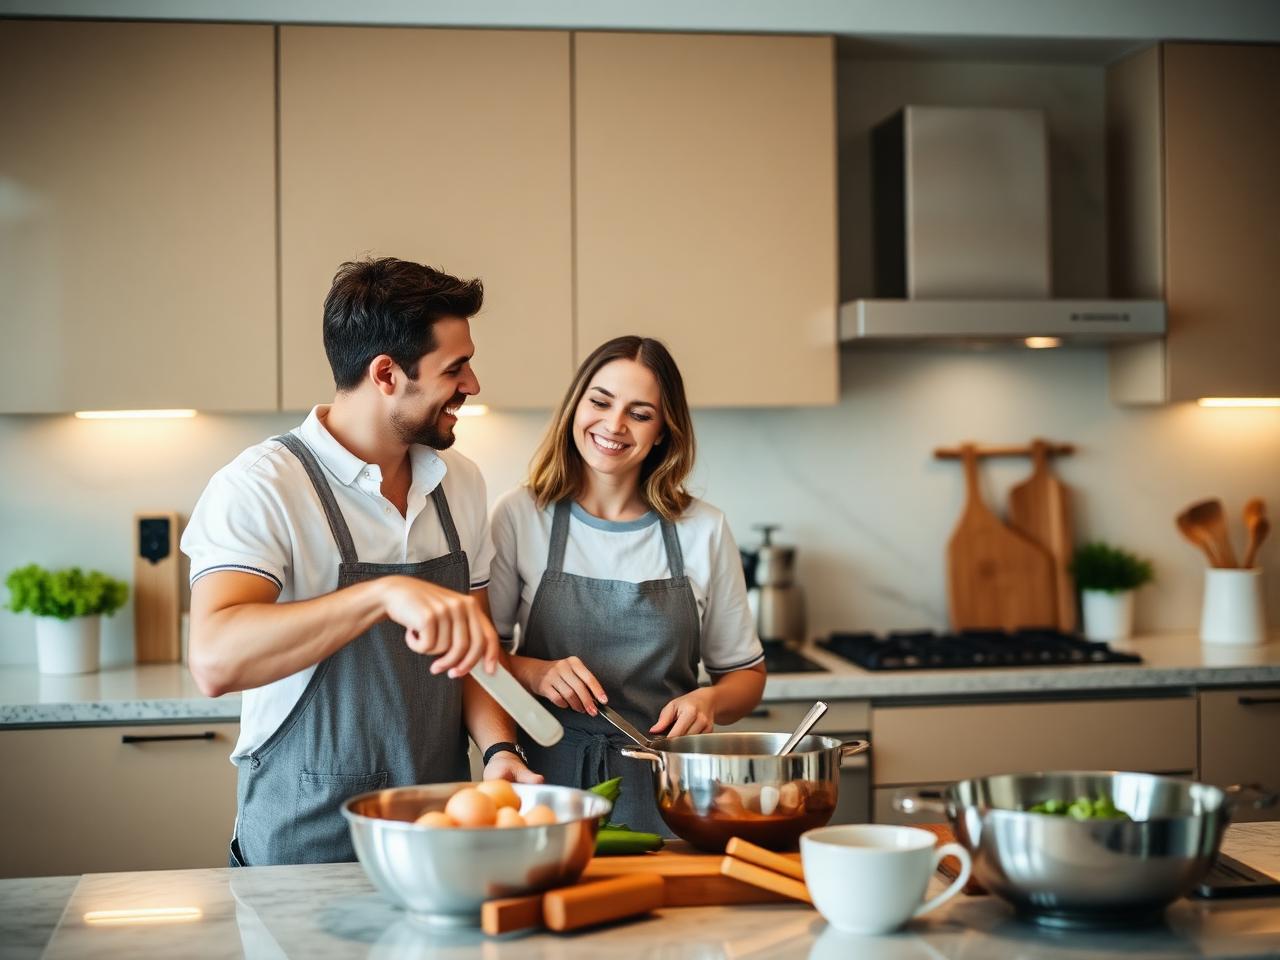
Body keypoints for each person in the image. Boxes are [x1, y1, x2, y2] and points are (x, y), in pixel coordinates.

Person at [183, 257, 539, 867]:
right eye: (455, 368)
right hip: (304, 845)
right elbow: (215, 659)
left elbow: (475, 658)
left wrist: (501, 748)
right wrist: (381, 595)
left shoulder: (461, 483)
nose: (474, 384)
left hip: (437, 838)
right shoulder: (263, 486)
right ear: (386, 373)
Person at [488, 336, 765, 834]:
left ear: (663, 431)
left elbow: (746, 676)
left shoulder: (703, 528)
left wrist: (709, 701)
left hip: (672, 793)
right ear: (576, 406)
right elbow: (483, 660)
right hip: (547, 790)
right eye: (600, 402)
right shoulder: (521, 515)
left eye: (640, 414)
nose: (613, 425)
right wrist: (535, 673)